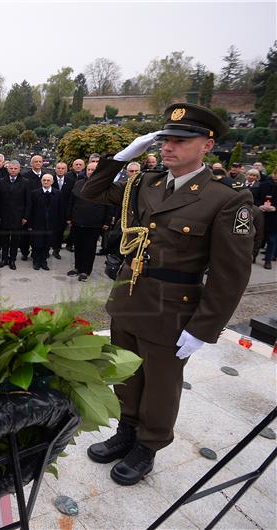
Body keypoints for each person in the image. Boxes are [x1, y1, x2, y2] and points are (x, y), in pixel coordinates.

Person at [81, 103, 254, 486]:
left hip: (173, 309)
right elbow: (92, 191)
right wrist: (122, 156)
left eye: (180, 140)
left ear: (207, 145)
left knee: (161, 383)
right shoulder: (147, 182)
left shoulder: (225, 199)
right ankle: (126, 430)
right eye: (165, 140)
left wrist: (204, 328)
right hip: (130, 298)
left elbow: (231, 274)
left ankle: (148, 445)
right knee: (125, 373)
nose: (168, 147)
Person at [67, 162, 112, 281]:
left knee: (89, 248)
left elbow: (109, 205)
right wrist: (69, 217)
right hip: (77, 221)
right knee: (78, 246)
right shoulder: (79, 183)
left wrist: (107, 221)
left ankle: (85, 270)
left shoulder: (104, 186)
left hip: (94, 223)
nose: (90, 171)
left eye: (93, 170)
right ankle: (77, 267)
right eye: (89, 169)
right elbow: (72, 201)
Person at [0, 160, 28, 270]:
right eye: (11, 168)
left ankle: (12, 260)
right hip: (4, 215)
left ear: (19, 169)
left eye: (15, 168)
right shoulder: (2, 181)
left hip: (18, 216)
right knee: (4, 239)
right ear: (7, 169)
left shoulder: (25, 182)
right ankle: (4, 259)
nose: (13, 170)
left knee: (15, 240)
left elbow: (28, 201)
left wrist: (25, 217)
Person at [26, 174, 64, 270]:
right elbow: (30, 209)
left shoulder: (58, 193)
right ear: (41, 181)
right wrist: (30, 224)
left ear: (52, 182)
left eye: (48, 180)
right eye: (44, 180)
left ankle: (44, 261)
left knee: (47, 243)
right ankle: (36, 261)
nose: (46, 182)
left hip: (51, 224)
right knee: (37, 243)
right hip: (37, 223)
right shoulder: (35, 193)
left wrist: (59, 224)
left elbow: (61, 210)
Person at [51, 161, 74, 259]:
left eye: (63, 168)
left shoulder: (71, 181)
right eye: (58, 168)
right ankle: (45, 249)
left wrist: (69, 215)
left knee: (60, 232)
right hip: (50, 210)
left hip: (63, 212)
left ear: (66, 170)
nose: (60, 170)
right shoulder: (49, 179)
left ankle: (56, 250)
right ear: (55, 169)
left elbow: (71, 199)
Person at [257, 168, 277, 269]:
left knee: (272, 240)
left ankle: (268, 261)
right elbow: (256, 198)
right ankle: (252, 256)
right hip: (261, 214)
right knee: (257, 237)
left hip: (274, 217)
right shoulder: (264, 184)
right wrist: (260, 206)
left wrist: (275, 208)